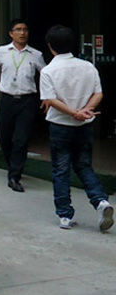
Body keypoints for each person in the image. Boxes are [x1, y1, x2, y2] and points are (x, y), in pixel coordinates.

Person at [40, 24, 113, 231]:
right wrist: (85, 111)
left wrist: (73, 113)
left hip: (60, 125)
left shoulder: (48, 70)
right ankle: (100, 201)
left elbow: (50, 100)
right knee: (84, 166)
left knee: (61, 169)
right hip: (83, 126)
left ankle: (65, 215)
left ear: (50, 46)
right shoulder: (88, 66)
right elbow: (98, 93)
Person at [0, 18, 46, 191]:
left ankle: (14, 177)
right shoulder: (2, 51)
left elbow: (46, 74)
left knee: (21, 139)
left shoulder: (36, 54)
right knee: (4, 136)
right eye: (18, 29)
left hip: (27, 100)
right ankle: (13, 164)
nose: (22, 33)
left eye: (25, 29)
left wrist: (47, 96)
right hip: (7, 99)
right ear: (11, 33)